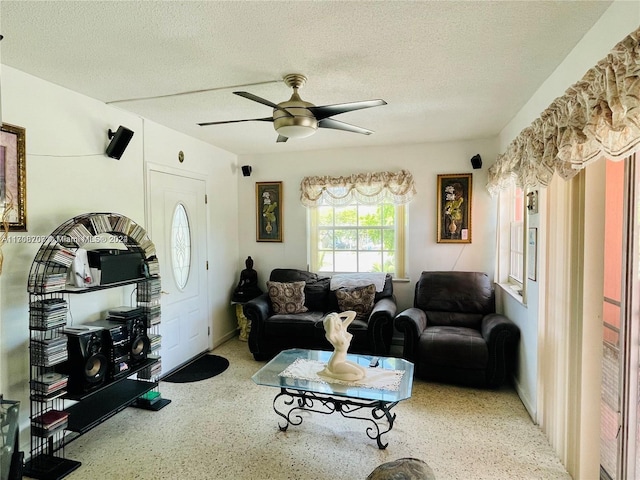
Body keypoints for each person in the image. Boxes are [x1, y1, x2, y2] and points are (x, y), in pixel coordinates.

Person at [318, 311, 366, 382]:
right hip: (336, 363)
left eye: (339, 321)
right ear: (332, 326)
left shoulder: (343, 328)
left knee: (363, 372)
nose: (339, 324)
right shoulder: (332, 336)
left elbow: (353, 314)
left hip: (343, 360)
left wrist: (338, 315)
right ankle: (330, 374)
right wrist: (332, 318)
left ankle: (329, 371)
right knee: (358, 375)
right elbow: (330, 324)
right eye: (336, 323)